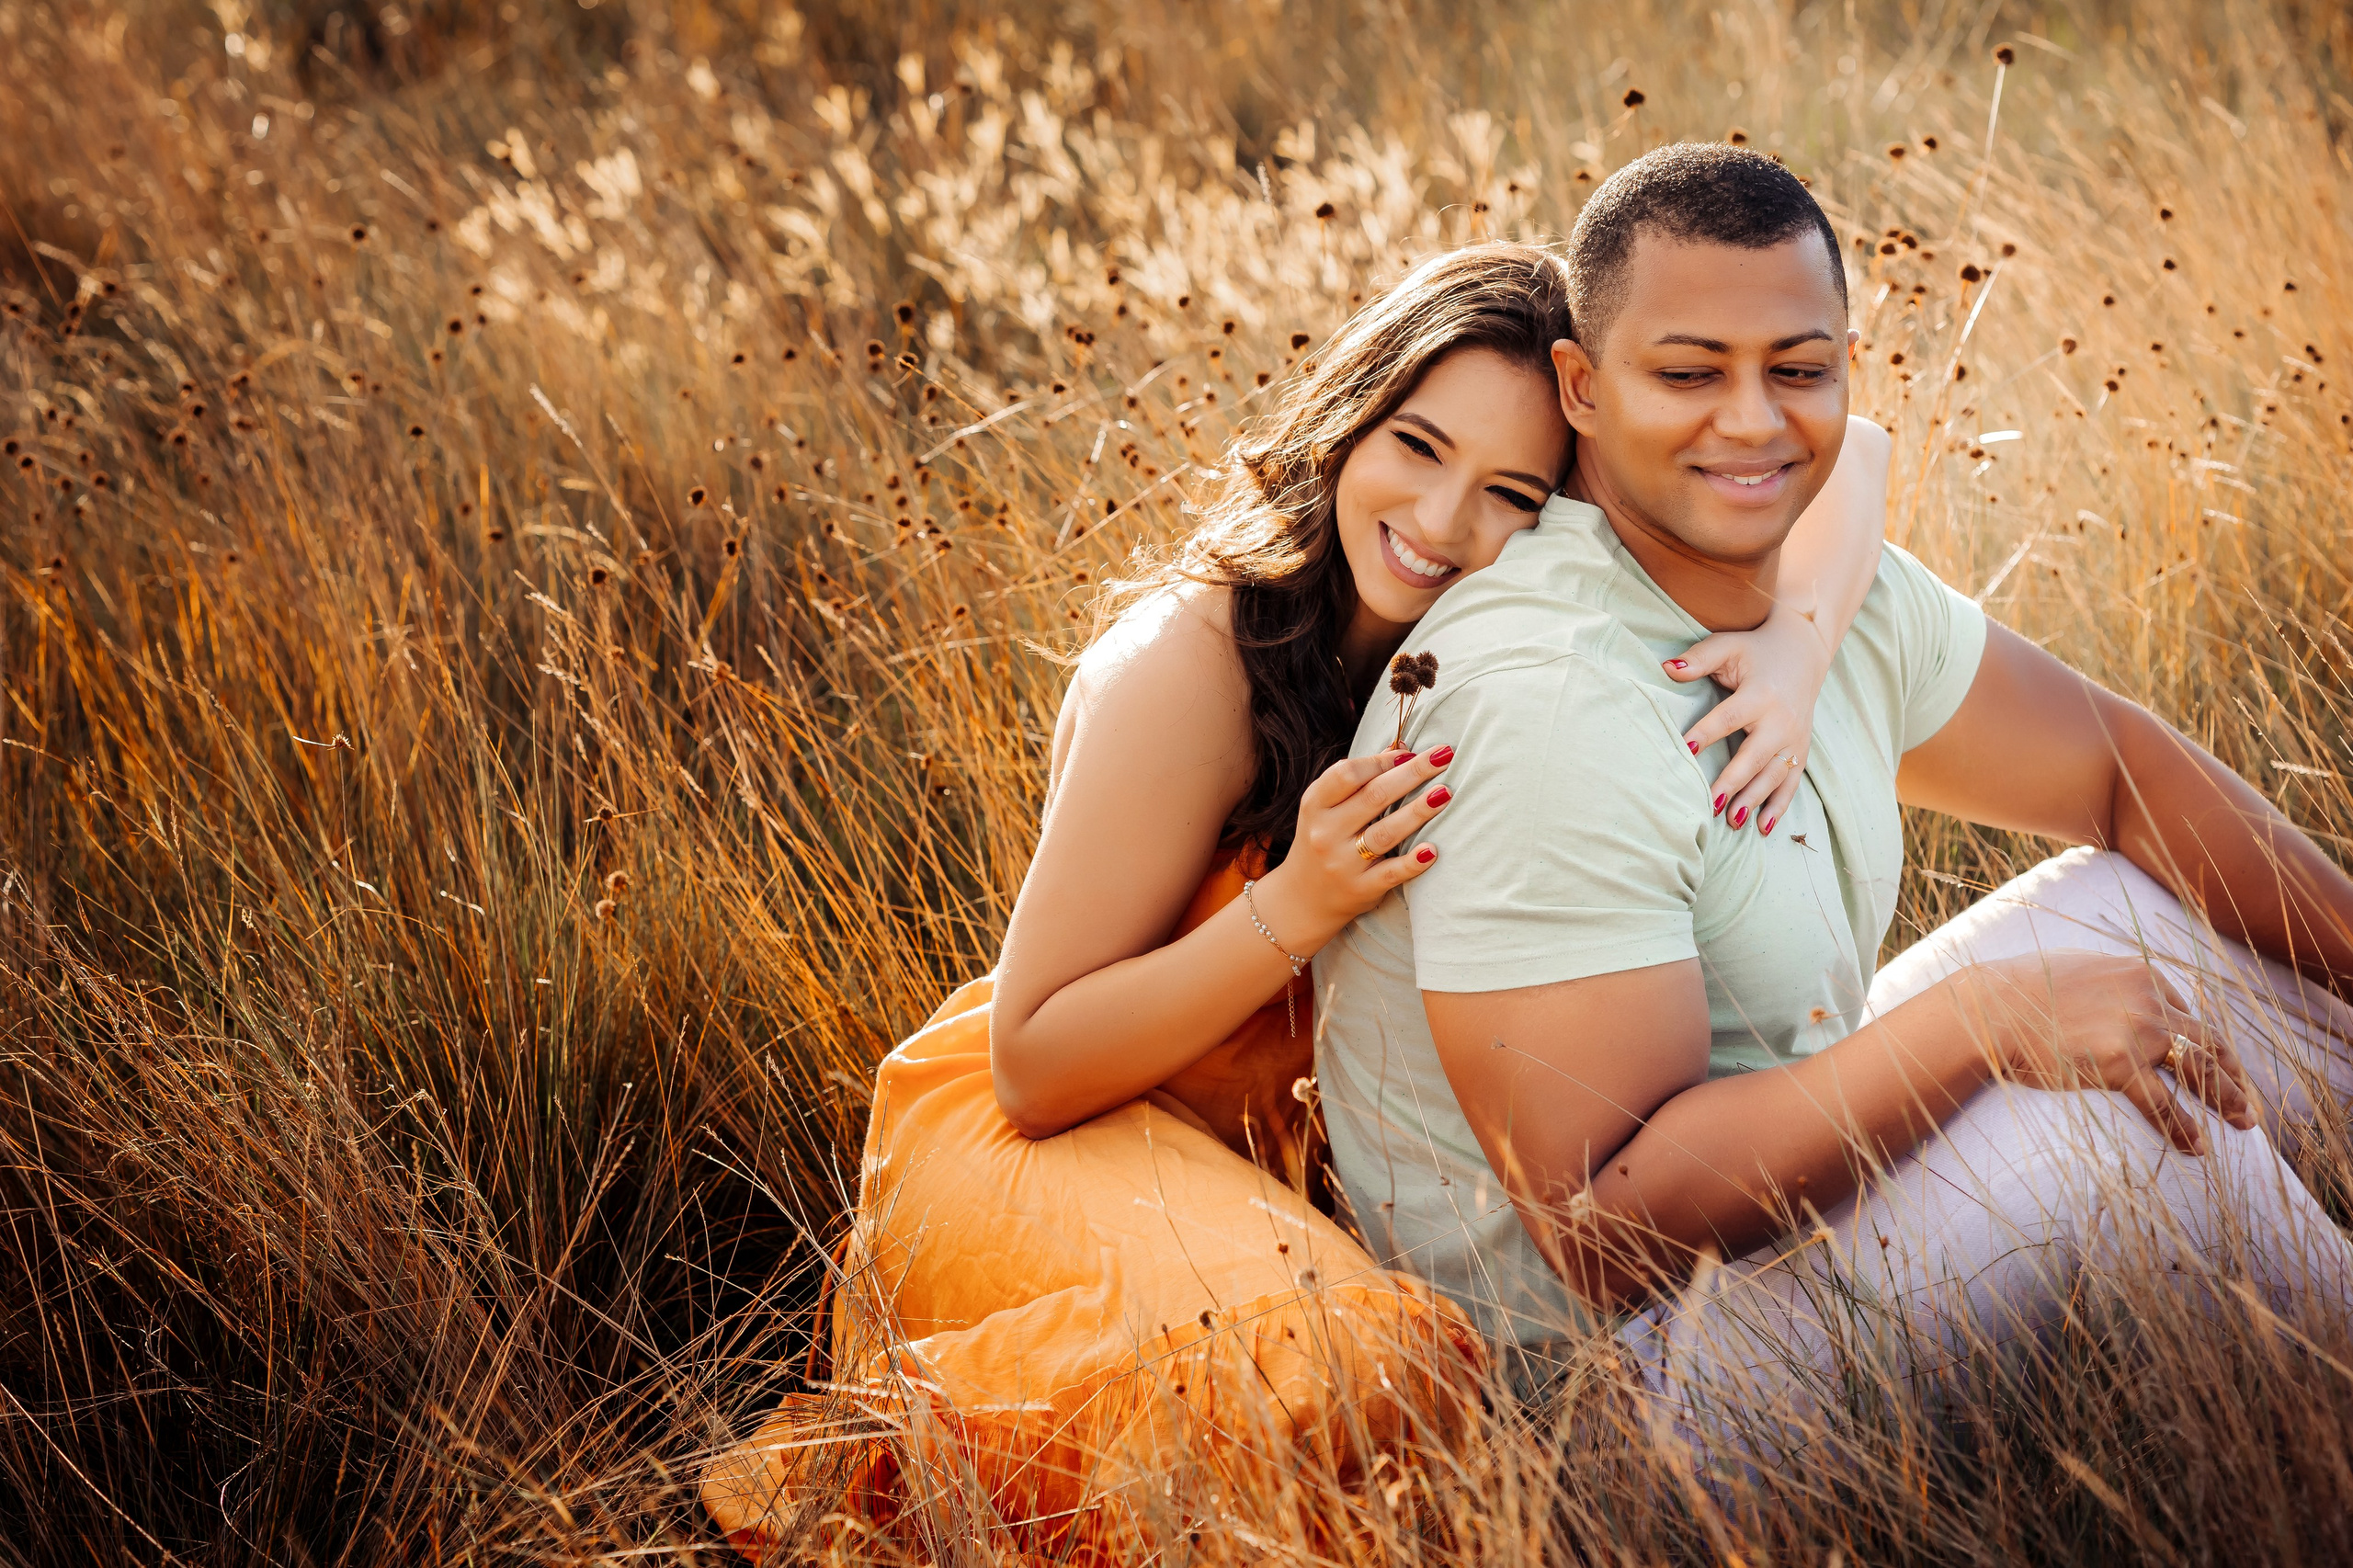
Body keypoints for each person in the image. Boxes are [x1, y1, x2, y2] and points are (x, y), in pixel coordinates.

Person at [701, 241, 1897, 1557]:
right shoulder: (1193, 661)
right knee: (1352, 1365)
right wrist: (1298, 906)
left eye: (1509, 491)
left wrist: (1797, 639)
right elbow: (1032, 1062)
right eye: (1417, 446)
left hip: (1273, 1150)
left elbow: (1864, 454)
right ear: (1349, 415)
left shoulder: (1476, 639)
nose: (1443, 523)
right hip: (1070, 1132)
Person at [1313, 143, 2353, 1449]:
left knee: (2171, 920)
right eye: (1688, 374)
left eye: (1796, 371)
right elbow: (1607, 1225)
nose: (1752, 423)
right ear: (1579, 387)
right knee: (2113, 1120)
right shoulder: (1547, 697)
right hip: (1610, 1401)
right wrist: (1990, 1018)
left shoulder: (1825, 593)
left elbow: (2117, 772)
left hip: (1781, 1212)